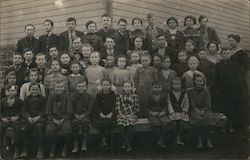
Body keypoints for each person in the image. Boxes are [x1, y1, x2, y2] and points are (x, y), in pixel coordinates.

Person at [45, 82, 72, 158]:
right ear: (54, 88)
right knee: (49, 129)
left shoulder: (66, 96)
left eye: (61, 87)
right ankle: (52, 147)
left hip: (64, 118)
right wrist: (53, 119)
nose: (59, 88)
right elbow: (48, 111)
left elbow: (69, 111)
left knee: (67, 128)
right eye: (57, 87)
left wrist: (63, 119)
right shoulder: (51, 95)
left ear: (64, 88)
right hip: (53, 118)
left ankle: (65, 147)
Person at [188, 73, 214, 149]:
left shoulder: (206, 91)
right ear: (194, 82)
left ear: (203, 82)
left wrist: (203, 110)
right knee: (198, 119)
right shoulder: (191, 91)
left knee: (208, 119)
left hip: (205, 109)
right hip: (194, 109)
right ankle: (199, 139)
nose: (199, 83)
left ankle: (207, 139)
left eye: (201, 81)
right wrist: (196, 110)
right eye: (197, 81)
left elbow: (208, 103)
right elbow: (191, 103)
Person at [21, 83, 46, 158]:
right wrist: (28, 117)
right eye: (33, 89)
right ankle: (24, 149)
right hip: (29, 119)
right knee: (23, 128)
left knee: (39, 127)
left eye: (36, 89)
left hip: (39, 119)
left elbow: (44, 110)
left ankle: (40, 149)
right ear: (29, 90)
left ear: (39, 90)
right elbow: (23, 111)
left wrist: (38, 117)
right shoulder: (26, 99)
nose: (34, 91)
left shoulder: (43, 99)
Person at [93, 79, 117, 150]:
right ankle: (104, 140)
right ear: (101, 86)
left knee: (110, 123)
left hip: (111, 114)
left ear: (110, 86)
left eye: (107, 85)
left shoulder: (113, 95)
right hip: (101, 114)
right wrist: (100, 113)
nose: (105, 87)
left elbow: (115, 105)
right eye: (104, 85)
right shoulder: (99, 95)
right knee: (100, 123)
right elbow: (97, 106)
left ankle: (105, 140)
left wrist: (111, 113)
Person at [0, 85, 23, 159]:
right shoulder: (2, 101)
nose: (10, 92)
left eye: (12, 90)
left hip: (15, 120)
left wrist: (17, 117)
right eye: (8, 91)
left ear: (16, 92)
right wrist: (2, 118)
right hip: (5, 120)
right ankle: (1, 151)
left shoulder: (19, 101)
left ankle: (17, 150)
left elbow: (22, 111)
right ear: (5, 93)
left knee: (17, 129)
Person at [116, 81, 139, 152]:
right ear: (123, 88)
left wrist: (130, 115)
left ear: (131, 88)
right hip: (121, 115)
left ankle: (125, 142)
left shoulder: (135, 96)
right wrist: (122, 115)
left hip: (131, 114)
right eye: (125, 86)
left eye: (129, 86)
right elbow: (118, 108)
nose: (127, 88)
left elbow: (136, 108)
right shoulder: (119, 96)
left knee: (129, 126)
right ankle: (127, 143)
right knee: (121, 126)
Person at [71, 80, 93, 153]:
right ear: (76, 88)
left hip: (85, 115)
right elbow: (71, 107)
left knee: (85, 122)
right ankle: (75, 142)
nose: (81, 88)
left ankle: (84, 141)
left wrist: (84, 115)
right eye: (79, 86)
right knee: (74, 123)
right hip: (75, 115)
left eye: (82, 86)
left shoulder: (89, 96)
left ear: (86, 88)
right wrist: (75, 115)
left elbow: (90, 109)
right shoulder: (73, 96)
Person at [168, 77, 189, 145]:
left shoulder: (184, 94)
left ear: (181, 85)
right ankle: (175, 137)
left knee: (181, 122)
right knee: (173, 123)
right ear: (172, 85)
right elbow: (169, 104)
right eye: (175, 84)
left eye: (178, 84)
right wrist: (172, 112)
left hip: (181, 112)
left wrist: (184, 111)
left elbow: (186, 103)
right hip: (173, 113)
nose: (177, 86)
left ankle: (179, 136)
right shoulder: (170, 94)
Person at [147, 81, 169, 148]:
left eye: (159, 87)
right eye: (155, 87)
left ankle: (161, 140)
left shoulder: (164, 96)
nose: (157, 89)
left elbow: (166, 106)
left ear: (161, 88)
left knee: (164, 122)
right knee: (156, 124)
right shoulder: (150, 96)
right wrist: (151, 112)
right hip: (153, 114)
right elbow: (147, 107)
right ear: (152, 88)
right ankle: (158, 140)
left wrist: (164, 112)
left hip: (161, 113)